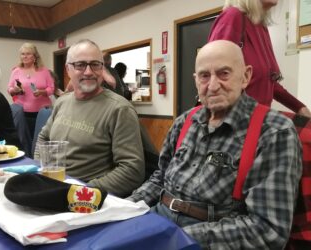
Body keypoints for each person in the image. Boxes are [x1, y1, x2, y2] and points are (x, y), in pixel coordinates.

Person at [127, 40, 302, 249]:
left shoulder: (273, 132)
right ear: (195, 80)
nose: (212, 85)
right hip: (158, 219)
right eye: (204, 76)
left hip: (211, 236)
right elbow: (159, 179)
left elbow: (267, 230)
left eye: (224, 73)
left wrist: (177, 238)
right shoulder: (185, 121)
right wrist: (125, 206)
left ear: (245, 76)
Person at [34, 39, 145, 197]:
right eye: (80, 65)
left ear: (102, 68)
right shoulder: (62, 101)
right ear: (68, 69)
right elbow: (43, 138)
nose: (88, 72)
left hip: (85, 197)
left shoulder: (119, 109)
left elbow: (132, 171)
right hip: (51, 186)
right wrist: (41, 168)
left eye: (95, 64)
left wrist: (82, 191)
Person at [208, 0, 311, 117]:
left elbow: (268, 81)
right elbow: (214, 77)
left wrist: (300, 107)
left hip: (258, 120)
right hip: (235, 123)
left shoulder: (261, 26)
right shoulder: (233, 16)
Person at [7, 43, 55, 138]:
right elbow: (9, 89)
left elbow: (52, 89)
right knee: (24, 138)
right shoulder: (16, 71)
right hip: (22, 112)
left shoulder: (44, 71)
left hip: (42, 112)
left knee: (40, 139)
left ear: (35, 56)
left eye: (28, 53)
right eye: (22, 54)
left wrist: (42, 92)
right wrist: (15, 90)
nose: (25, 56)